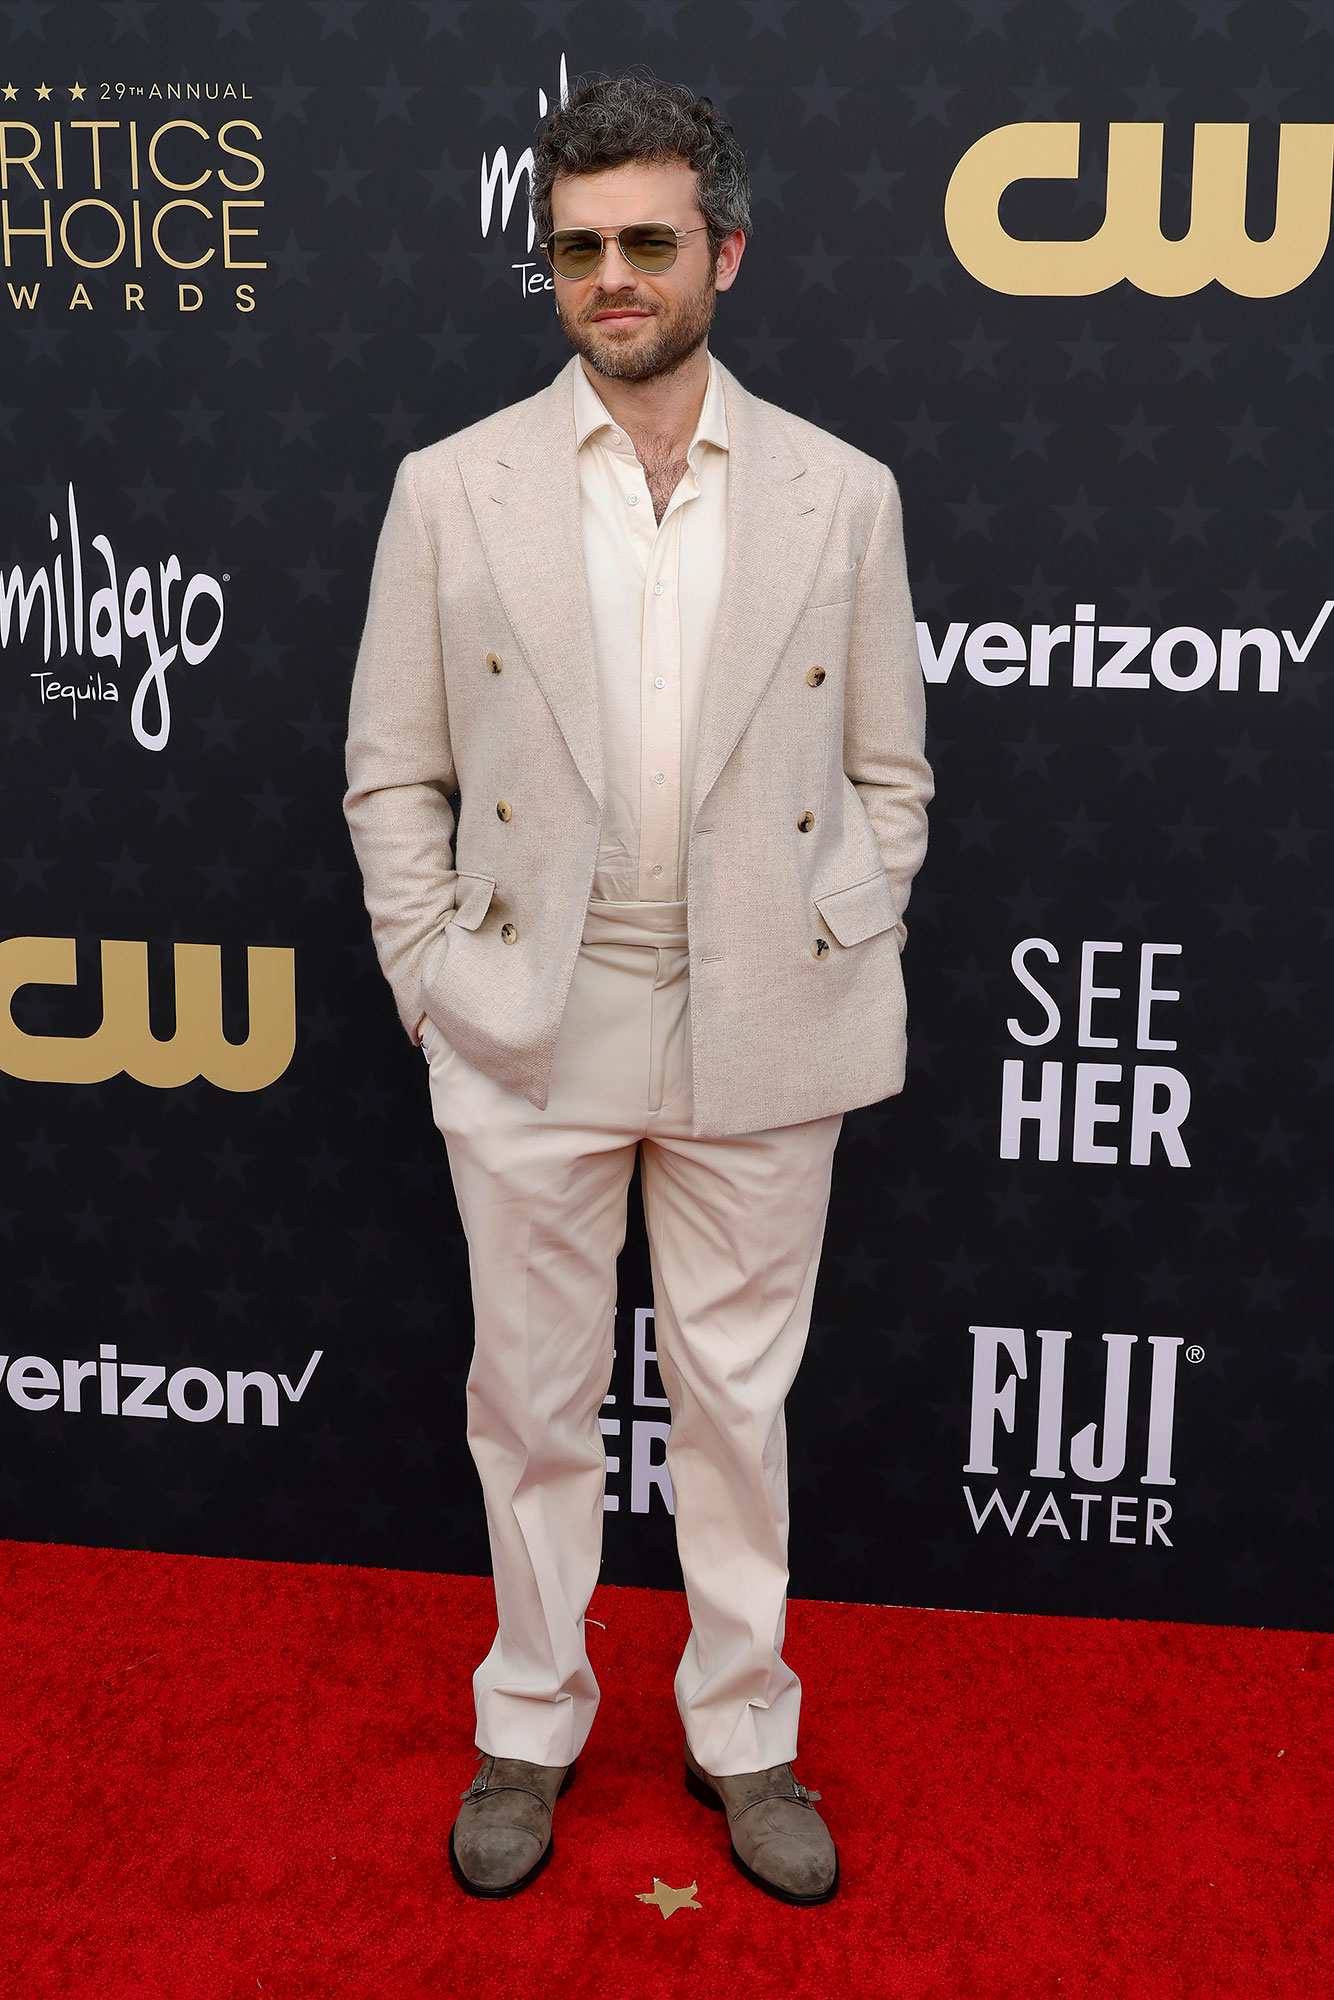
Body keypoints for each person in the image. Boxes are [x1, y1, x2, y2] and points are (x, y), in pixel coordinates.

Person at [344, 72, 932, 1907]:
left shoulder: (842, 493)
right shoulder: (451, 489)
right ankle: (529, 1717)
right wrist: (434, 977)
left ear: (722, 254)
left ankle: (744, 1730)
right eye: (578, 247)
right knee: (530, 1401)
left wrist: (842, 923)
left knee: (736, 1404)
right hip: (530, 1014)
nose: (610, 276)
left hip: (768, 1008)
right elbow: (391, 770)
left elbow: (892, 772)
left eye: (646, 242)